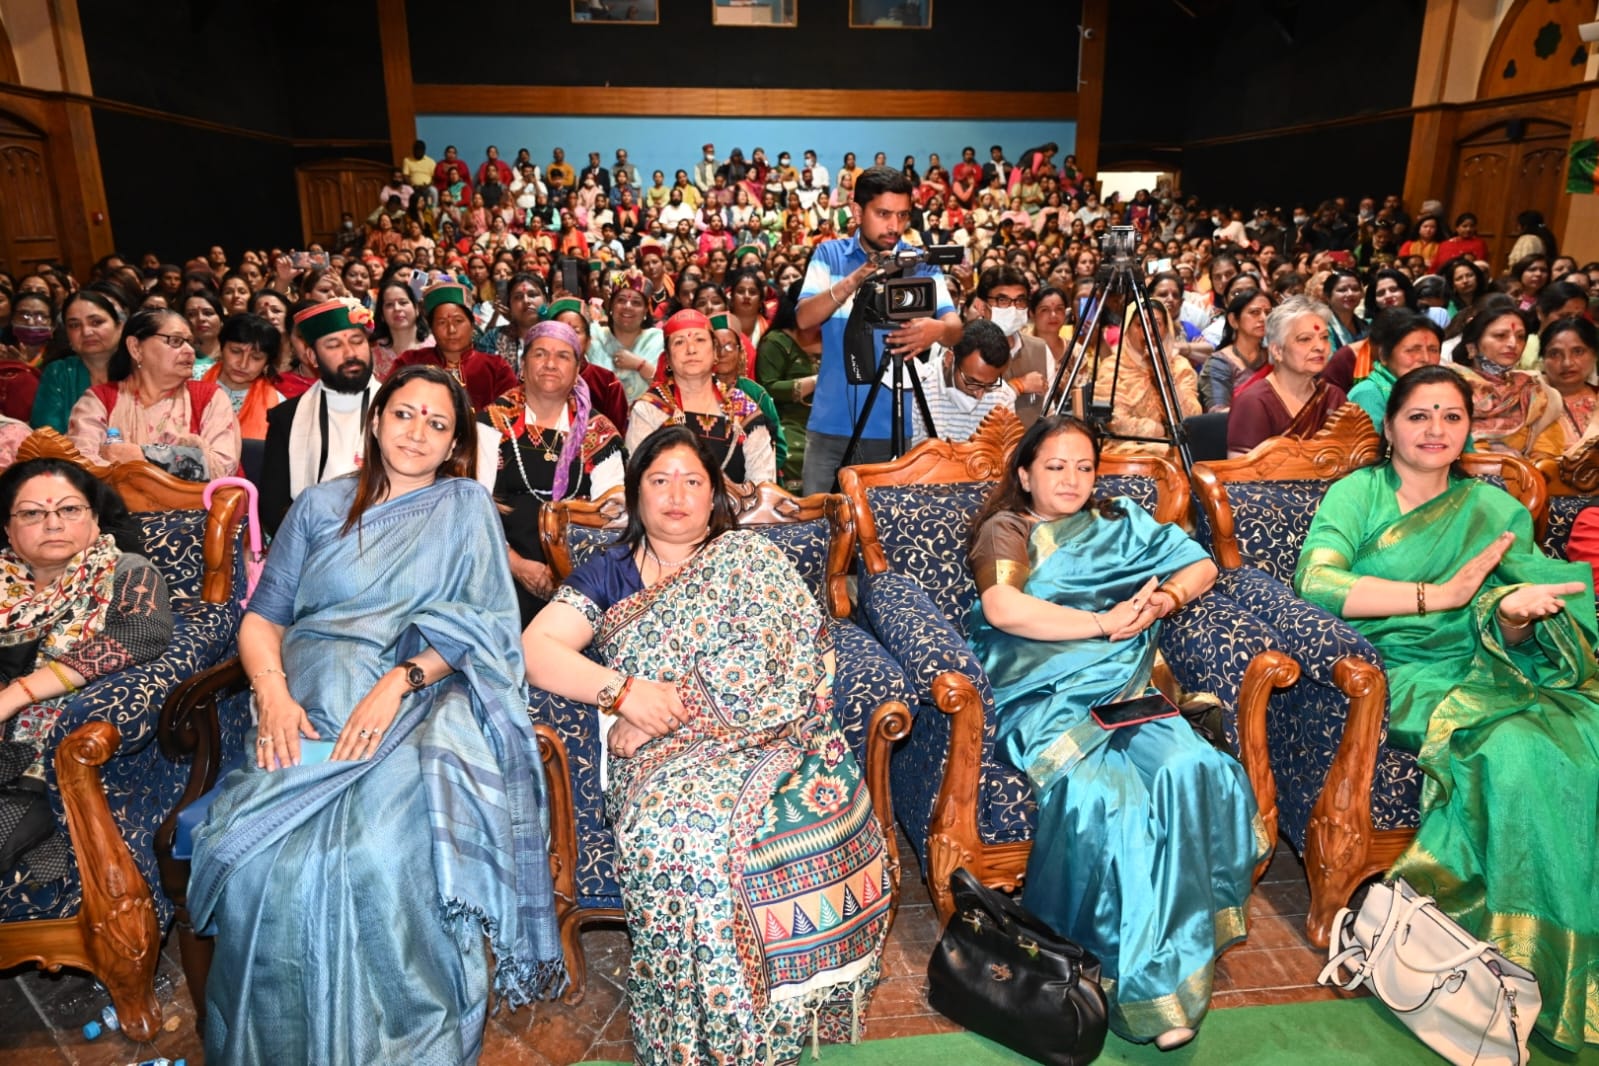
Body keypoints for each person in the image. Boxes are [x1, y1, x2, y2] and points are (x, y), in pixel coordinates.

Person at [190, 365, 566, 1064]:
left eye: (437, 423)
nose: (417, 432)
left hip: (412, 711)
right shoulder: (317, 506)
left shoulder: (463, 509)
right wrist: (270, 691)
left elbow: (487, 627)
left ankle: (396, 1043)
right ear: (376, 418)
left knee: (368, 856)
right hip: (302, 707)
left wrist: (402, 678)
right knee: (259, 871)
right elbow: (263, 617)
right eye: (404, 414)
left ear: (456, 443)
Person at [523, 425, 891, 1064]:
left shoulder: (747, 557)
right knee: (678, 831)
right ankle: (690, 1040)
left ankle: (761, 1035)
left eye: (693, 481)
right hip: (659, 758)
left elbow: (794, 659)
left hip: (778, 740)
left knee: (738, 831)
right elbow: (534, 650)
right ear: (634, 492)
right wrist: (625, 693)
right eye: (658, 480)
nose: (675, 495)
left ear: (715, 495)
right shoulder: (608, 572)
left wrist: (675, 709)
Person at [1295, 364, 1599, 1052]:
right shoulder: (1359, 493)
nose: (1434, 430)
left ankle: (1572, 964)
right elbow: (1316, 583)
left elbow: (1513, 609)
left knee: (1584, 735)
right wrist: (1443, 594)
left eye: (1450, 416)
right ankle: (1506, 958)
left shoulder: (1494, 509)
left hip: (1489, 663)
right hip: (1396, 670)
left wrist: (1512, 614)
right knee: (1513, 751)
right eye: (1418, 415)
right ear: (1389, 425)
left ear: (1468, 428)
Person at [966, 414, 1265, 1048]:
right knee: (1111, 800)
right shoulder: (1010, 528)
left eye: (1083, 466)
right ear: (1024, 474)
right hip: (1047, 699)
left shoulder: (1122, 523)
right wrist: (1105, 624)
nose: (1072, 478)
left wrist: (1161, 603)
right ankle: (1127, 982)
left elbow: (1202, 565)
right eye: (1055, 466)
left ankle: (1172, 973)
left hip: (1129, 695)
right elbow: (1003, 609)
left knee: (1197, 772)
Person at [0, 457, 174, 871]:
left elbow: (142, 633)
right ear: (8, 528)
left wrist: (14, 696)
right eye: (32, 513)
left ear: (95, 519)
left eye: (69, 509)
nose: (54, 524)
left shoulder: (125, 572)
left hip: (54, 756)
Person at [795, 166, 961, 494]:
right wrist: (857, 278)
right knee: (818, 531)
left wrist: (936, 329)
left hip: (894, 426)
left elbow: (955, 328)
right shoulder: (829, 255)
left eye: (902, 216)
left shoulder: (920, 262)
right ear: (857, 210)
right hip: (830, 424)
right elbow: (804, 318)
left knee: (883, 536)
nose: (894, 226)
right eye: (883, 214)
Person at [479, 320, 623, 624]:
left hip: (579, 576)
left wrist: (564, 575)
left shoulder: (598, 432)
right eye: (540, 354)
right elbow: (473, 510)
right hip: (499, 567)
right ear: (522, 364)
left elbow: (612, 516)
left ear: (577, 369)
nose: (550, 364)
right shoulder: (492, 424)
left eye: (563, 356)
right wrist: (517, 566)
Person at [67, 308, 241, 480]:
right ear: (135, 348)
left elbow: (221, 468)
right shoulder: (99, 400)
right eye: (175, 341)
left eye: (190, 342)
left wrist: (144, 455)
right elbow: (81, 466)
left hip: (200, 507)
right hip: (117, 506)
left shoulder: (208, 397)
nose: (189, 350)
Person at [625, 309, 776, 484]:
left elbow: (763, 483)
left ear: (715, 352)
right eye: (679, 342)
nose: (691, 349)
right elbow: (638, 481)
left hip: (735, 509)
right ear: (667, 358)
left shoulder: (743, 408)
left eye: (700, 339)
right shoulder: (650, 409)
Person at [1226, 295, 1347, 456]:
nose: (1320, 346)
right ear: (1277, 351)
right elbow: (1241, 476)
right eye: (1305, 339)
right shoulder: (1254, 403)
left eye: (1324, 337)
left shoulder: (1333, 397)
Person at [1451, 298, 1562, 459]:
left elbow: (1548, 445)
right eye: (1500, 335)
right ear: (1472, 347)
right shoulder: (1449, 386)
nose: (1513, 343)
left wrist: (1531, 465)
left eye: (1520, 337)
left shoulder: (1533, 390)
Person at [396, 283, 517, 409]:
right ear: (432, 328)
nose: (451, 330)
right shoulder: (410, 362)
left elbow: (512, 412)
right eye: (442, 322)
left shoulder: (496, 368)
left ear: (472, 324)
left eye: (458, 321)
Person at [754, 283, 820, 491]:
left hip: (831, 420)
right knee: (796, 454)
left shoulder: (834, 338)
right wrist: (817, 381)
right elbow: (767, 387)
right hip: (790, 421)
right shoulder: (777, 341)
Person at [31, 291, 123, 433]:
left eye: (96, 322)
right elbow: (47, 434)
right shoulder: (58, 373)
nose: (86, 332)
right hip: (68, 454)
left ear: (119, 326)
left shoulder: (140, 369)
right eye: (74, 325)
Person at [1347, 308, 1445, 431]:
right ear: (1383, 356)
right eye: (1413, 350)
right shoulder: (1368, 394)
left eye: (1433, 350)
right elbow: (1368, 449)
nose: (1425, 358)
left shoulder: (1444, 391)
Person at [202, 311, 283, 441]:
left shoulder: (277, 406)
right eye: (235, 351)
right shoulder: (191, 381)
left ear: (267, 362)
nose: (243, 364)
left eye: (256, 358)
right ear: (221, 347)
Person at [1202, 288, 1271, 411]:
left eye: (1268, 312)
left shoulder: (1274, 357)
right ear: (1233, 320)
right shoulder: (1219, 362)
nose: (1263, 318)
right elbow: (1218, 412)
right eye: (1255, 312)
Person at [1540, 314, 1599, 451]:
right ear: (1543, 359)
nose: (1567, 363)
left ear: (1594, 354)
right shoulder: (1530, 404)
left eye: (1578, 351)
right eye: (1555, 354)